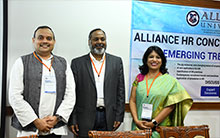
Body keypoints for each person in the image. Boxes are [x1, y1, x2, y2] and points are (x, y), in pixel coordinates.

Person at [9, 25, 76, 138]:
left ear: (54, 42)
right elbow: (14, 96)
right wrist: (35, 121)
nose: (45, 41)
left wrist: (57, 118)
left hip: (55, 128)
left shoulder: (63, 63)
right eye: (40, 37)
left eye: (49, 38)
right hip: (29, 130)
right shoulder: (21, 62)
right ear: (33, 40)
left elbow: (70, 95)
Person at [68, 28, 125, 138]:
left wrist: (119, 116)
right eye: (96, 39)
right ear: (89, 42)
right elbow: (72, 93)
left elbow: (120, 91)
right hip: (84, 118)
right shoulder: (77, 63)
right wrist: (72, 119)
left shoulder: (116, 62)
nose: (99, 42)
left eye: (102, 39)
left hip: (108, 117)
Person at [129, 46, 193, 138]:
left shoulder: (170, 81)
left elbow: (171, 105)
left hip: (160, 129)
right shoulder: (139, 78)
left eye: (158, 57)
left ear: (162, 60)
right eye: (151, 57)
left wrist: (154, 123)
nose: (154, 60)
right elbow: (132, 100)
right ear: (146, 59)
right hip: (139, 127)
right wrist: (136, 120)